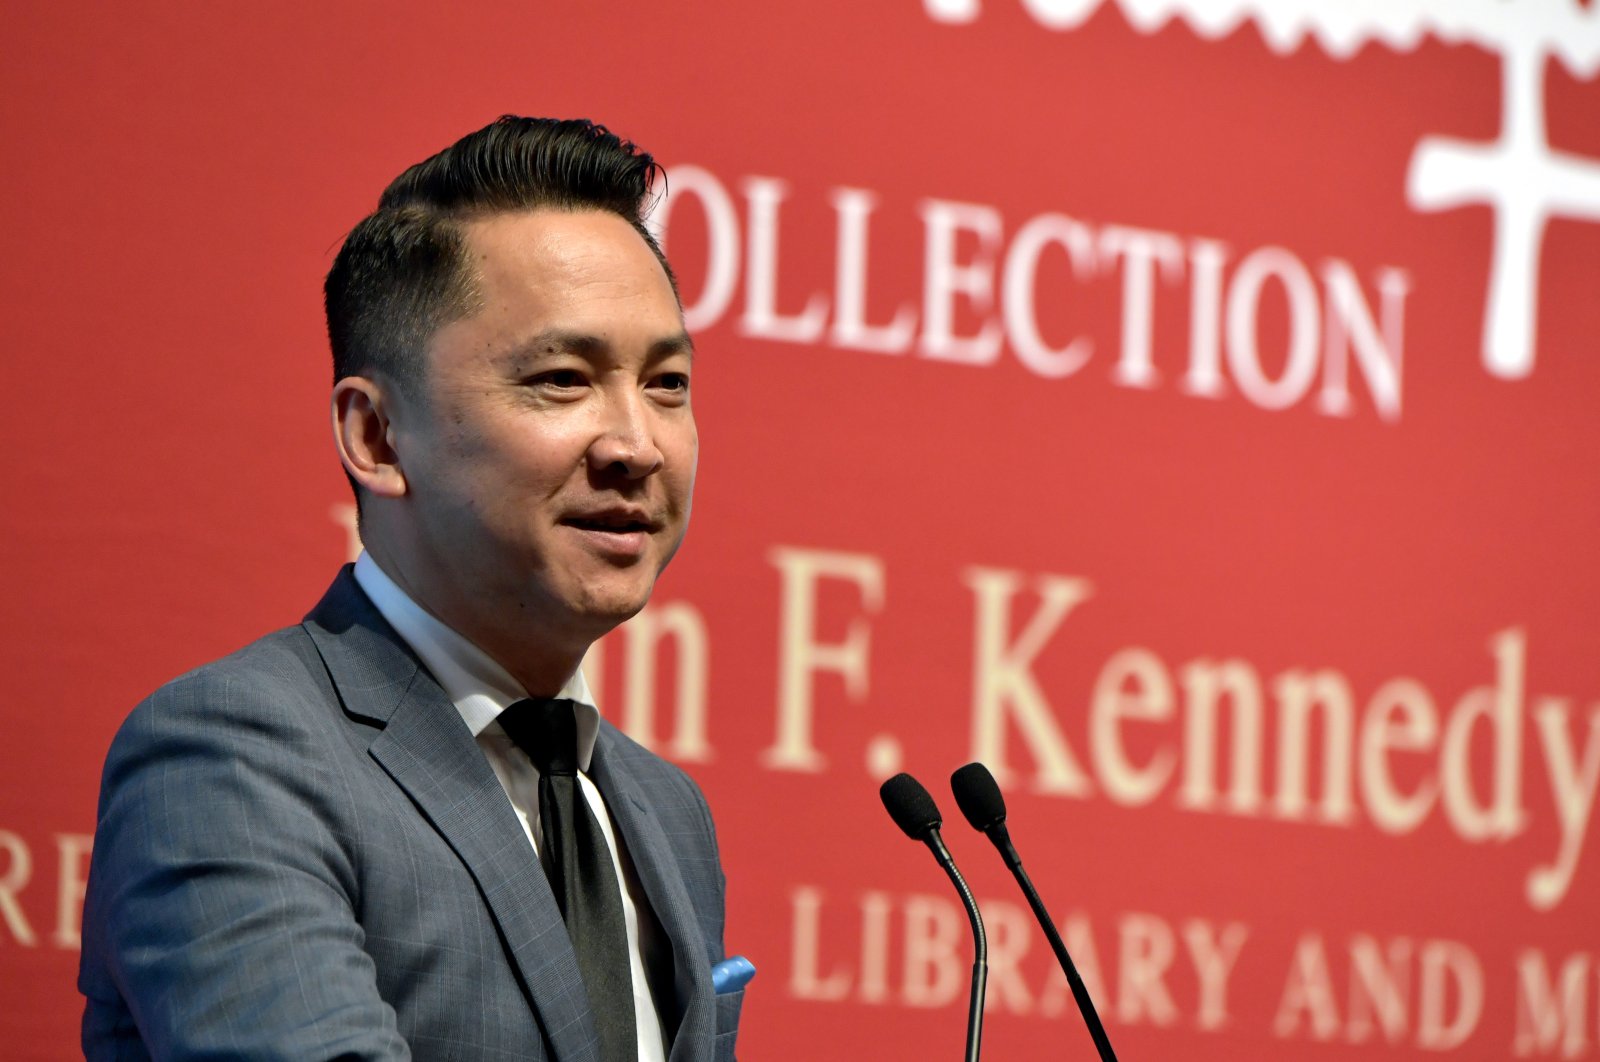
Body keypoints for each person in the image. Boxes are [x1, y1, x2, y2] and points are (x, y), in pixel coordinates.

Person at [78, 116, 740, 1061]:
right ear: (377, 437)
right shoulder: (233, 760)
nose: (637, 444)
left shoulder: (666, 814)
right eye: (562, 379)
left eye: (667, 382)